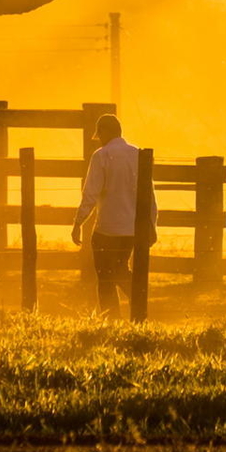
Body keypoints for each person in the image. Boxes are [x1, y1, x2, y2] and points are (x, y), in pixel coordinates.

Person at [71, 114, 156, 315]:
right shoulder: (138, 154)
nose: (99, 139)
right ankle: (138, 302)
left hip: (107, 229)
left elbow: (90, 193)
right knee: (119, 269)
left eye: (100, 135)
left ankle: (114, 317)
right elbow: (149, 194)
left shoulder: (101, 156)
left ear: (105, 132)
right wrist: (151, 224)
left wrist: (78, 222)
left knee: (105, 277)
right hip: (132, 229)